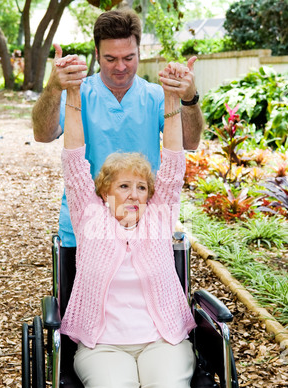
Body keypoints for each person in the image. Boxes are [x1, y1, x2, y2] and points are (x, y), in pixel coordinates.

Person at [58, 47, 207, 388]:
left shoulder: (159, 219)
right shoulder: (89, 219)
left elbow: (174, 164)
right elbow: (73, 161)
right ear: (103, 192)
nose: (135, 194)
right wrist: (71, 94)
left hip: (162, 340)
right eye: (124, 186)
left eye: (141, 187)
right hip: (103, 343)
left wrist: (173, 99)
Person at [32, 9, 203, 247]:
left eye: (129, 58)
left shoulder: (155, 96)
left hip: (144, 227)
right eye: (111, 59)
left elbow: (190, 142)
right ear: (97, 54)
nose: (120, 67)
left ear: (139, 53)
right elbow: (42, 134)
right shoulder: (77, 92)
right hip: (84, 226)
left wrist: (189, 98)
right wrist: (52, 87)